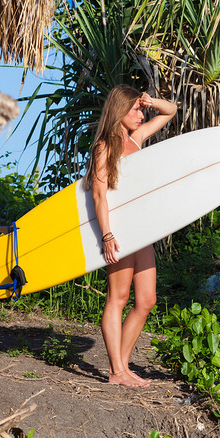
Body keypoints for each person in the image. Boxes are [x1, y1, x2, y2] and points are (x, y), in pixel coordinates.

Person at [84, 85, 178, 387]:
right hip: (119, 230)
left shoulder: (135, 140)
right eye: (135, 109)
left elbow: (171, 111)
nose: (141, 114)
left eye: (141, 109)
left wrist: (149, 100)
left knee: (147, 300)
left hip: (142, 229)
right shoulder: (104, 146)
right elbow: (99, 195)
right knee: (119, 297)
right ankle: (116, 371)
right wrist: (107, 235)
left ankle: (122, 366)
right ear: (119, 111)